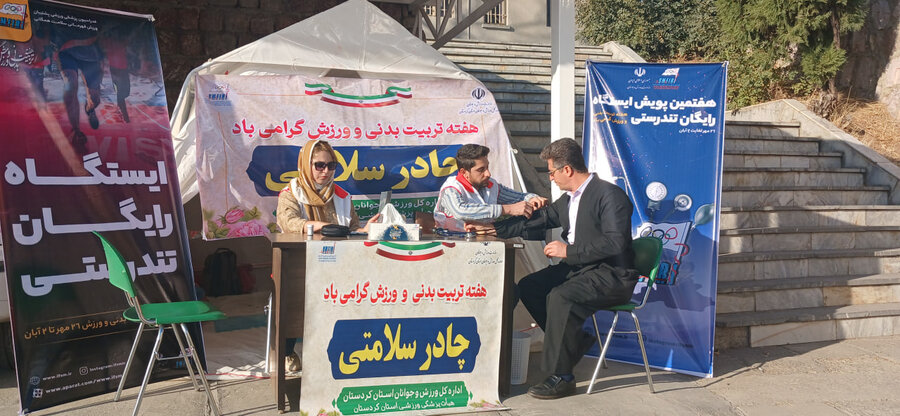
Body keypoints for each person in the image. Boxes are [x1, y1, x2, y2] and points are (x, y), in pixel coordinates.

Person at [491, 138, 638, 399]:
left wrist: (568, 251)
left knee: (561, 297)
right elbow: (541, 219)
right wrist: (494, 229)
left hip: (611, 274)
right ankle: (572, 344)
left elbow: (615, 242)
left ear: (567, 169)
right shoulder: (570, 199)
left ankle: (563, 377)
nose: (551, 178)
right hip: (581, 268)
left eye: (552, 172)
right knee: (530, 287)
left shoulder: (610, 196)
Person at [275, 139, 379, 371]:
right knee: (292, 298)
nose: (326, 171)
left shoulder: (342, 196)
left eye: (331, 166)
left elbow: (352, 228)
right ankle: (287, 352)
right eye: (319, 165)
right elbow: (289, 222)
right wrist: (322, 227)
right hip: (301, 264)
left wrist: (363, 231)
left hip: (337, 265)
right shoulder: (290, 193)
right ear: (306, 165)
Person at [433, 144, 547, 230]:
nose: (488, 174)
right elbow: (461, 211)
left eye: (487, 167)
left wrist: (532, 198)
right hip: (451, 245)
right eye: (481, 170)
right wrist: (507, 209)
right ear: (464, 172)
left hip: (484, 243)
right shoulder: (451, 188)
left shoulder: (490, 185)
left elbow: (518, 197)